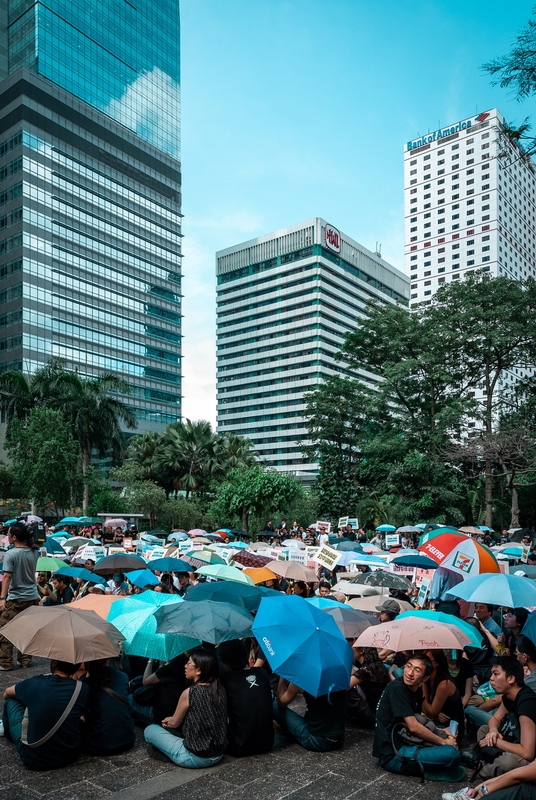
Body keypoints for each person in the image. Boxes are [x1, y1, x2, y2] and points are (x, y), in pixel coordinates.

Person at [373, 653, 462, 779]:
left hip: (406, 739)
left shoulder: (417, 690)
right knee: (452, 754)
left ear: (425, 678)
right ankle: (432, 768)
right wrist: (443, 742)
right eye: (408, 666)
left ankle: (435, 764)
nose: (409, 673)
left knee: (445, 735)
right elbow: (414, 727)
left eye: (417, 670)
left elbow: (418, 720)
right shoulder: (397, 688)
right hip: (393, 754)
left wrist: (441, 730)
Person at [144, 647, 227, 768]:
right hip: (218, 754)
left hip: (194, 757)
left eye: (189, 663)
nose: (185, 666)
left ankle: (168, 754)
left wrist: (170, 720)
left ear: (198, 670)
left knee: (149, 730)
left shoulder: (190, 693)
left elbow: (174, 724)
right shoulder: (220, 689)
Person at [2, 659, 89, 770]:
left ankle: (8, 733)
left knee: (11, 701)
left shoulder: (35, 682)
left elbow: (7, 693)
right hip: (69, 755)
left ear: (54, 663)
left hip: (34, 759)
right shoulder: (82, 688)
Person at [468, 656, 536, 778]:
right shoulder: (509, 696)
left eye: (496, 674)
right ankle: (490, 764)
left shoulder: (527, 703)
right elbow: (494, 719)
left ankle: (484, 769)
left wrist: (497, 742)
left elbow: (527, 753)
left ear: (511, 679)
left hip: (528, 759)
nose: (491, 678)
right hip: (513, 741)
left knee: (508, 762)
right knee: (484, 729)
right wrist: (493, 731)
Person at [218, 639, 274, 757]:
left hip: (239, 747)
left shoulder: (226, 679)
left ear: (225, 661)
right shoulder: (262, 672)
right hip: (268, 743)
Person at [0, 521, 40, 670]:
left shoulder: (11, 554)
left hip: (16, 598)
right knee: (27, 630)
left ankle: (5, 662)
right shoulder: (34, 551)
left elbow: (7, 577)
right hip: (32, 597)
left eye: (9, 534)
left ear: (15, 537)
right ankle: (25, 660)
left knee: (4, 630)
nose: (7, 536)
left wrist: (2, 598)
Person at [274, 676, 346, 752]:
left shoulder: (300, 681)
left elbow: (280, 703)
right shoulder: (339, 677)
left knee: (273, 705)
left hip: (317, 741)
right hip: (339, 738)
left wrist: (282, 677)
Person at [81, 658, 135, 755]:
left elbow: (84, 713)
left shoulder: (86, 684)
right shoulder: (123, 676)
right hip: (127, 740)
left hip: (99, 746)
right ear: (108, 659)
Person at [422, 649, 465, 743]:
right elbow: (428, 705)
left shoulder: (444, 684)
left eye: (428, 660)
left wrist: (418, 691)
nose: (424, 663)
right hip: (438, 721)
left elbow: (430, 712)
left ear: (437, 663)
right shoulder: (428, 679)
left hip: (452, 729)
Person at [348, 646, 390, 726]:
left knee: (347, 692)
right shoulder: (378, 664)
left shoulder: (367, 669)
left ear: (361, 651)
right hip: (382, 712)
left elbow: (345, 686)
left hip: (374, 716)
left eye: (352, 648)